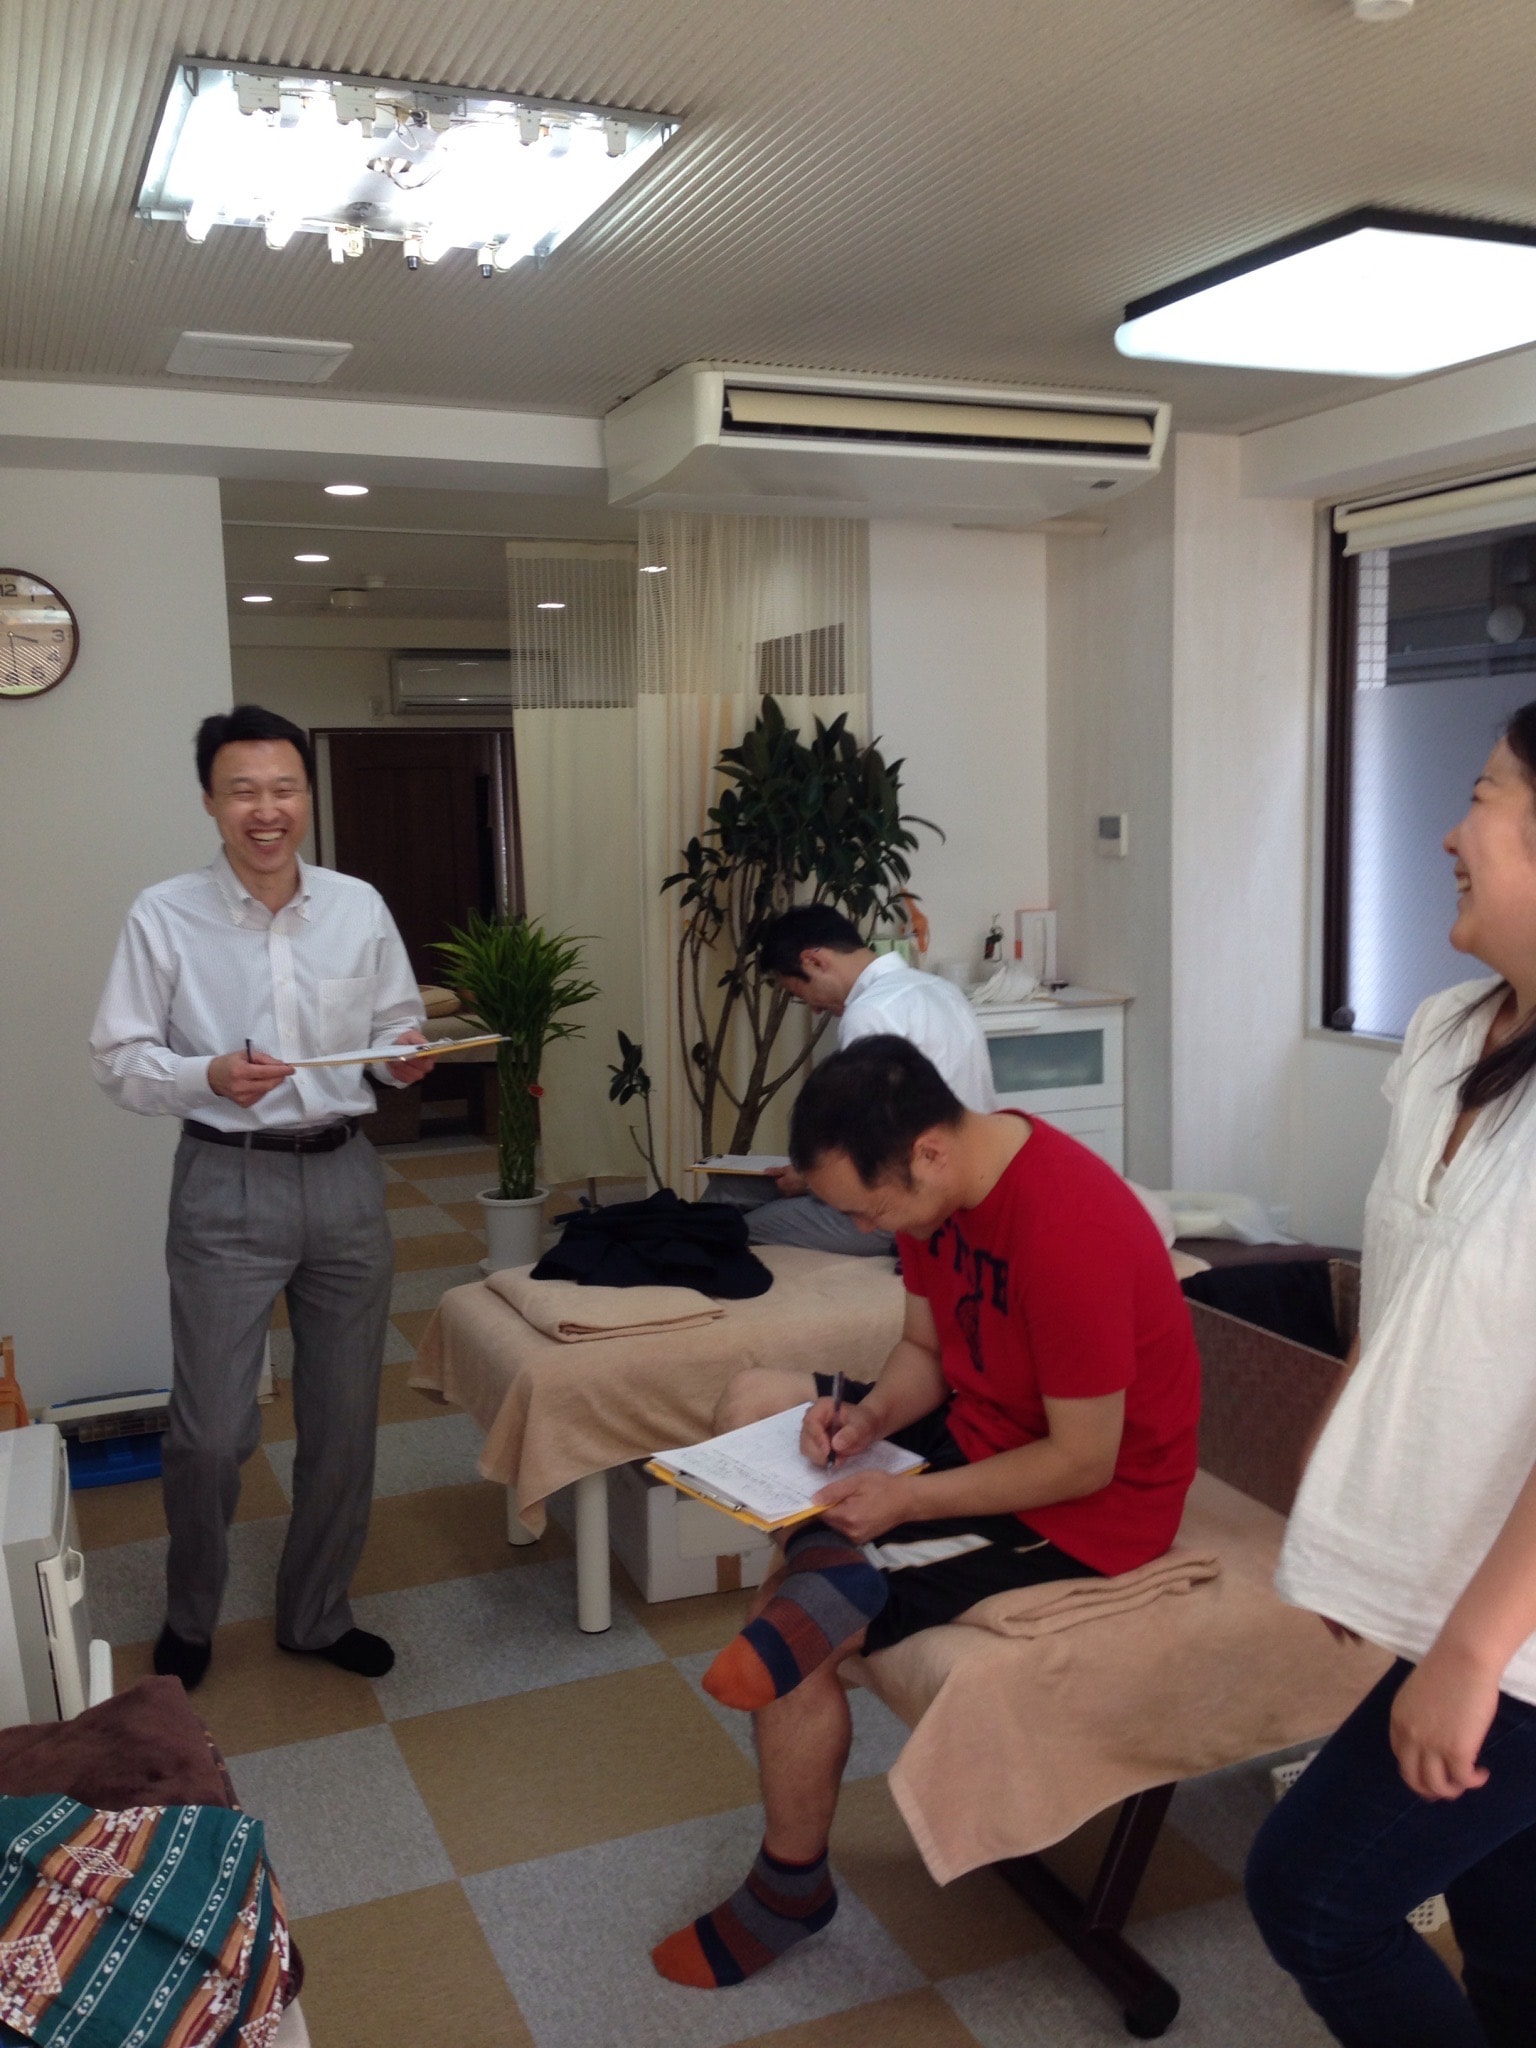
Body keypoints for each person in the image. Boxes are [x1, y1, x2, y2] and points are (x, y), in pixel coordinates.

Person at [651, 1034, 1200, 1988]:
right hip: (986, 1425)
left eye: (868, 1211)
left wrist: (908, 1494)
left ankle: (789, 1893)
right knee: (757, 1404)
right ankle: (834, 1564)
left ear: (930, 1152)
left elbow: (1084, 1461)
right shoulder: (935, 1197)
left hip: (1092, 1502)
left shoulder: (1068, 1229)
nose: (864, 1229)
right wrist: (866, 1421)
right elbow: (925, 1353)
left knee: (789, 1643)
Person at [1245, 707, 1536, 2048]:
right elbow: (1405, 1288)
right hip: (1464, 1577)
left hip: (1517, 1628)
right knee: (1510, 1914)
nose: (1449, 831)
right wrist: (1349, 1518)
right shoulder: (1444, 1032)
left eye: (1483, 795)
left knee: (1313, 1896)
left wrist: (1470, 1650)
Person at [90, 704, 438, 1692]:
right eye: (242, 790)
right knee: (209, 1434)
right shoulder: (165, 913)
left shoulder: (357, 905)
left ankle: (317, 1612)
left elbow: (396, 1025)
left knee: (343, 1420)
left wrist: (405, 1059)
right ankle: (189, 1613)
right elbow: (118, 1057)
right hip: (225, 1181)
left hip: (345, 1177)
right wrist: (205, 1073)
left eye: (283, 787)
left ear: (306, 796)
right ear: (210, 801)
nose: (266, 808)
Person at [739, 904, 998, 1257]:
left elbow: (868, 1147)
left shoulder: (870, 1012)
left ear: (814, 961)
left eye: (801, 993)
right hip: (964, 1186)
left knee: (739, 1227)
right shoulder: (942, 990)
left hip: (906, 1200)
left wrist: (809, 1178)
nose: (814, 1008)